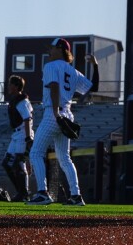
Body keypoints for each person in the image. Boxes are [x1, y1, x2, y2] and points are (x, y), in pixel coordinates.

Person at [27, 38, 95, 206]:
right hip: (67, 114)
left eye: (52, 48)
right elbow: (93, 87)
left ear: (60, 49)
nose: (49, 51)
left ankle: (42, 193)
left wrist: (56, 112)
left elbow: (55, 87)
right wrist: (96, 66)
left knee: (35, 153)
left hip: (53, 113)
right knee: (64, 158)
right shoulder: (73, 71)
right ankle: (76, 195)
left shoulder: (51, 66)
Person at [2, 74, 35, 202]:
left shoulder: (22, 101)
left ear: (16, 86)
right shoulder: (15, 100)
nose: (8, 86)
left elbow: (27, 119)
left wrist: (28, 138)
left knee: (17, 163)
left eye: (11, 84)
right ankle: (21, 192)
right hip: (16, 134)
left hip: (22, 134)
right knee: (6, 164)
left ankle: (24, 193)